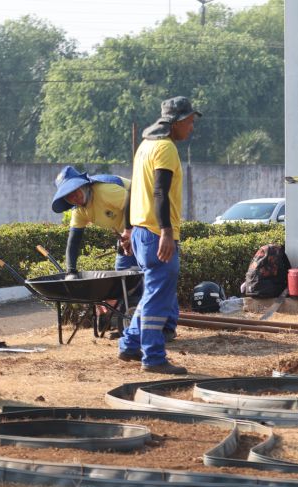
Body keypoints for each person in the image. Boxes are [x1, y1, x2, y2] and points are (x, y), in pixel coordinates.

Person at [118, 96, 198, 375]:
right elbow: (160, 192)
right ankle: (153, 358)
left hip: (141, 231)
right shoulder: (165, 148)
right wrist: (166, 232)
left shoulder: (145, 146)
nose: (191, 127)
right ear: (174, 123)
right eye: (188, 122)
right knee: (158, 297)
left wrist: (128, 228)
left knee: (152, 293)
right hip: (156, 233)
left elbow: (131, 191)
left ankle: (129, 345)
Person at [51, 164, 132, 273]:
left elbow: (135, 204)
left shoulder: (104, 190)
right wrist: (71, 271)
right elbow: (74, 241)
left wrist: (129, 231)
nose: (74, 198)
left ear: (82, 186)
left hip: (148, 222)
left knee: (147, 267)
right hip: (127, 233)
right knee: (123, 272)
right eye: (68, 196)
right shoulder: (79, 211)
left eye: (75, 192)